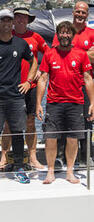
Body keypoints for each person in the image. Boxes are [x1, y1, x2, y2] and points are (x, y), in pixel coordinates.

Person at [0, 9, 37, 185]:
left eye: (9, 21)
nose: (6, 23)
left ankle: (19, 167)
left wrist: (28, 81)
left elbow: (34, 61)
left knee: (18, 133)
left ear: (12, 23)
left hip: (16, 97)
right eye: (3, 20)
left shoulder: (20, 44)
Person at [36, 21, 94, 184]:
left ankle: (70, 171)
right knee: (51, 138)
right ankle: (51, 171)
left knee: (73, 138)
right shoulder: (49, 54)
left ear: (72, 35)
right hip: (54, 103)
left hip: (75, 103)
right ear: (57, 35)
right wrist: (38, 103)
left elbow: (88, 78)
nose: (65, 35)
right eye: (62, 32)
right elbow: (43, 79)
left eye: (68, 32)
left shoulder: (81, 54)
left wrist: (92, 102)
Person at [0, 7, 49, 170]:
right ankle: (3, 157)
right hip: (11, 87)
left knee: (30, 123)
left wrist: (41, 70)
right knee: (7, 124)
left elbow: (49, 53)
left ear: (28, 20)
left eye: (24, 17)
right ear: (13, 20)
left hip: (31, 87)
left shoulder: (36, 37)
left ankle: (33, 157)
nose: (21, 20)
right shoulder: (6, 37)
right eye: (17, 17)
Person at [52, 1, 94, 166]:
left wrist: (72, 51)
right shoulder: (63, 31)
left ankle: (85, 156)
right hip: (65, 85)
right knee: (64, 120)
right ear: (73, 12)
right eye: (78, 12)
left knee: (86, 120)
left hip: (85, 84)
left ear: (87, 15)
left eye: (83, 12)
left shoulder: (91, 33)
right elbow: (57, 54)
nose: (80, 15)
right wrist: (86, 53)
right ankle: (62, 157)